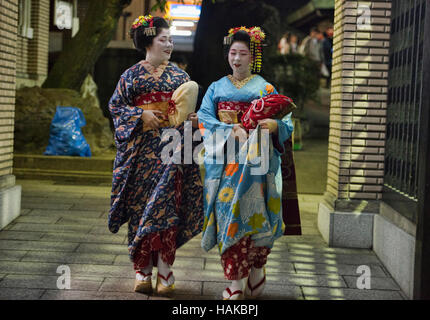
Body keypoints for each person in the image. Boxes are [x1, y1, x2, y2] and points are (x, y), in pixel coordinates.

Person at [197, 26, 300, 300]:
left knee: (255, 216)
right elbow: (205, 119)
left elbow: (286, 122)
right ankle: (235, 280)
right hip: (226, 163)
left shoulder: (265, 87)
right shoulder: (216, 88)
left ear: (253, 56)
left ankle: (256, 269)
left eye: (243, 53)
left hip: (256, 166)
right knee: (227, 214)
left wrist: (274, 124)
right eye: (232, 53)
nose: (237, 58)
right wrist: (230, 129)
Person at [107, 15, 203, 296]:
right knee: (141, 210)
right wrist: (140, 114)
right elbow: (116, 108)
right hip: (140, 155)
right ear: (149, 41)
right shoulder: (131, 76)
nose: (170, 44)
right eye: (164, 39)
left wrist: (193, 121)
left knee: (167, 211)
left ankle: (166, 271)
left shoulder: (180, 77)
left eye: (171, 40)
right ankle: (142, 271)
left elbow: (186, 113)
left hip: (172, 151)